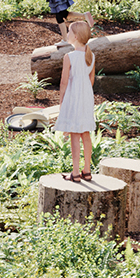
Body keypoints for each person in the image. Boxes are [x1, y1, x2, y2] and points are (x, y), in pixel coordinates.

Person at [55, 16, 98, 180]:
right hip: (86, 96)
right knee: (85, 133)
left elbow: (64, 82)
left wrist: (62, 101)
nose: (67, 34)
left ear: (76, 37)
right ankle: (87, 171)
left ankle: (75, 172)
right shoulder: (91, 56)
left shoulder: (69, 57)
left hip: (73, 97)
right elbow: (91, 80)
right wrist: (85, 94)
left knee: (74, 133)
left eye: (70, 31)